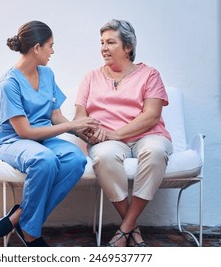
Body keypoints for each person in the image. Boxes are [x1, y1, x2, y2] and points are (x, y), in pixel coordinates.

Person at [0, 20, 100, 247]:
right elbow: (25, 131)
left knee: (75, 159)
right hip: (14, 140)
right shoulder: (8, 84)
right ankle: (31, 232)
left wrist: (80, 131)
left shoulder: (47, 74)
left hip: (43, 139)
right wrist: (70, 128)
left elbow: (56, 116)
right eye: (50, 45)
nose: (53, 51)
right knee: (44, 160)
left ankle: (21, 215)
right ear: (37, 48)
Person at [74, 19, 173, 247]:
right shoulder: (91, 77)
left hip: (146, 135)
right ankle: (131, 227)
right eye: (102, 43)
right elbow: (79, 116)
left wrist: (114, 134)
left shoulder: (149, 75)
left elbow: (152, 115)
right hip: (106, 141)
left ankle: (124, 229)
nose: (104, 48)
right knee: (103, 156)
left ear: (127, 47)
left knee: (156, 151)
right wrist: (91, 132)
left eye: (110, 42)